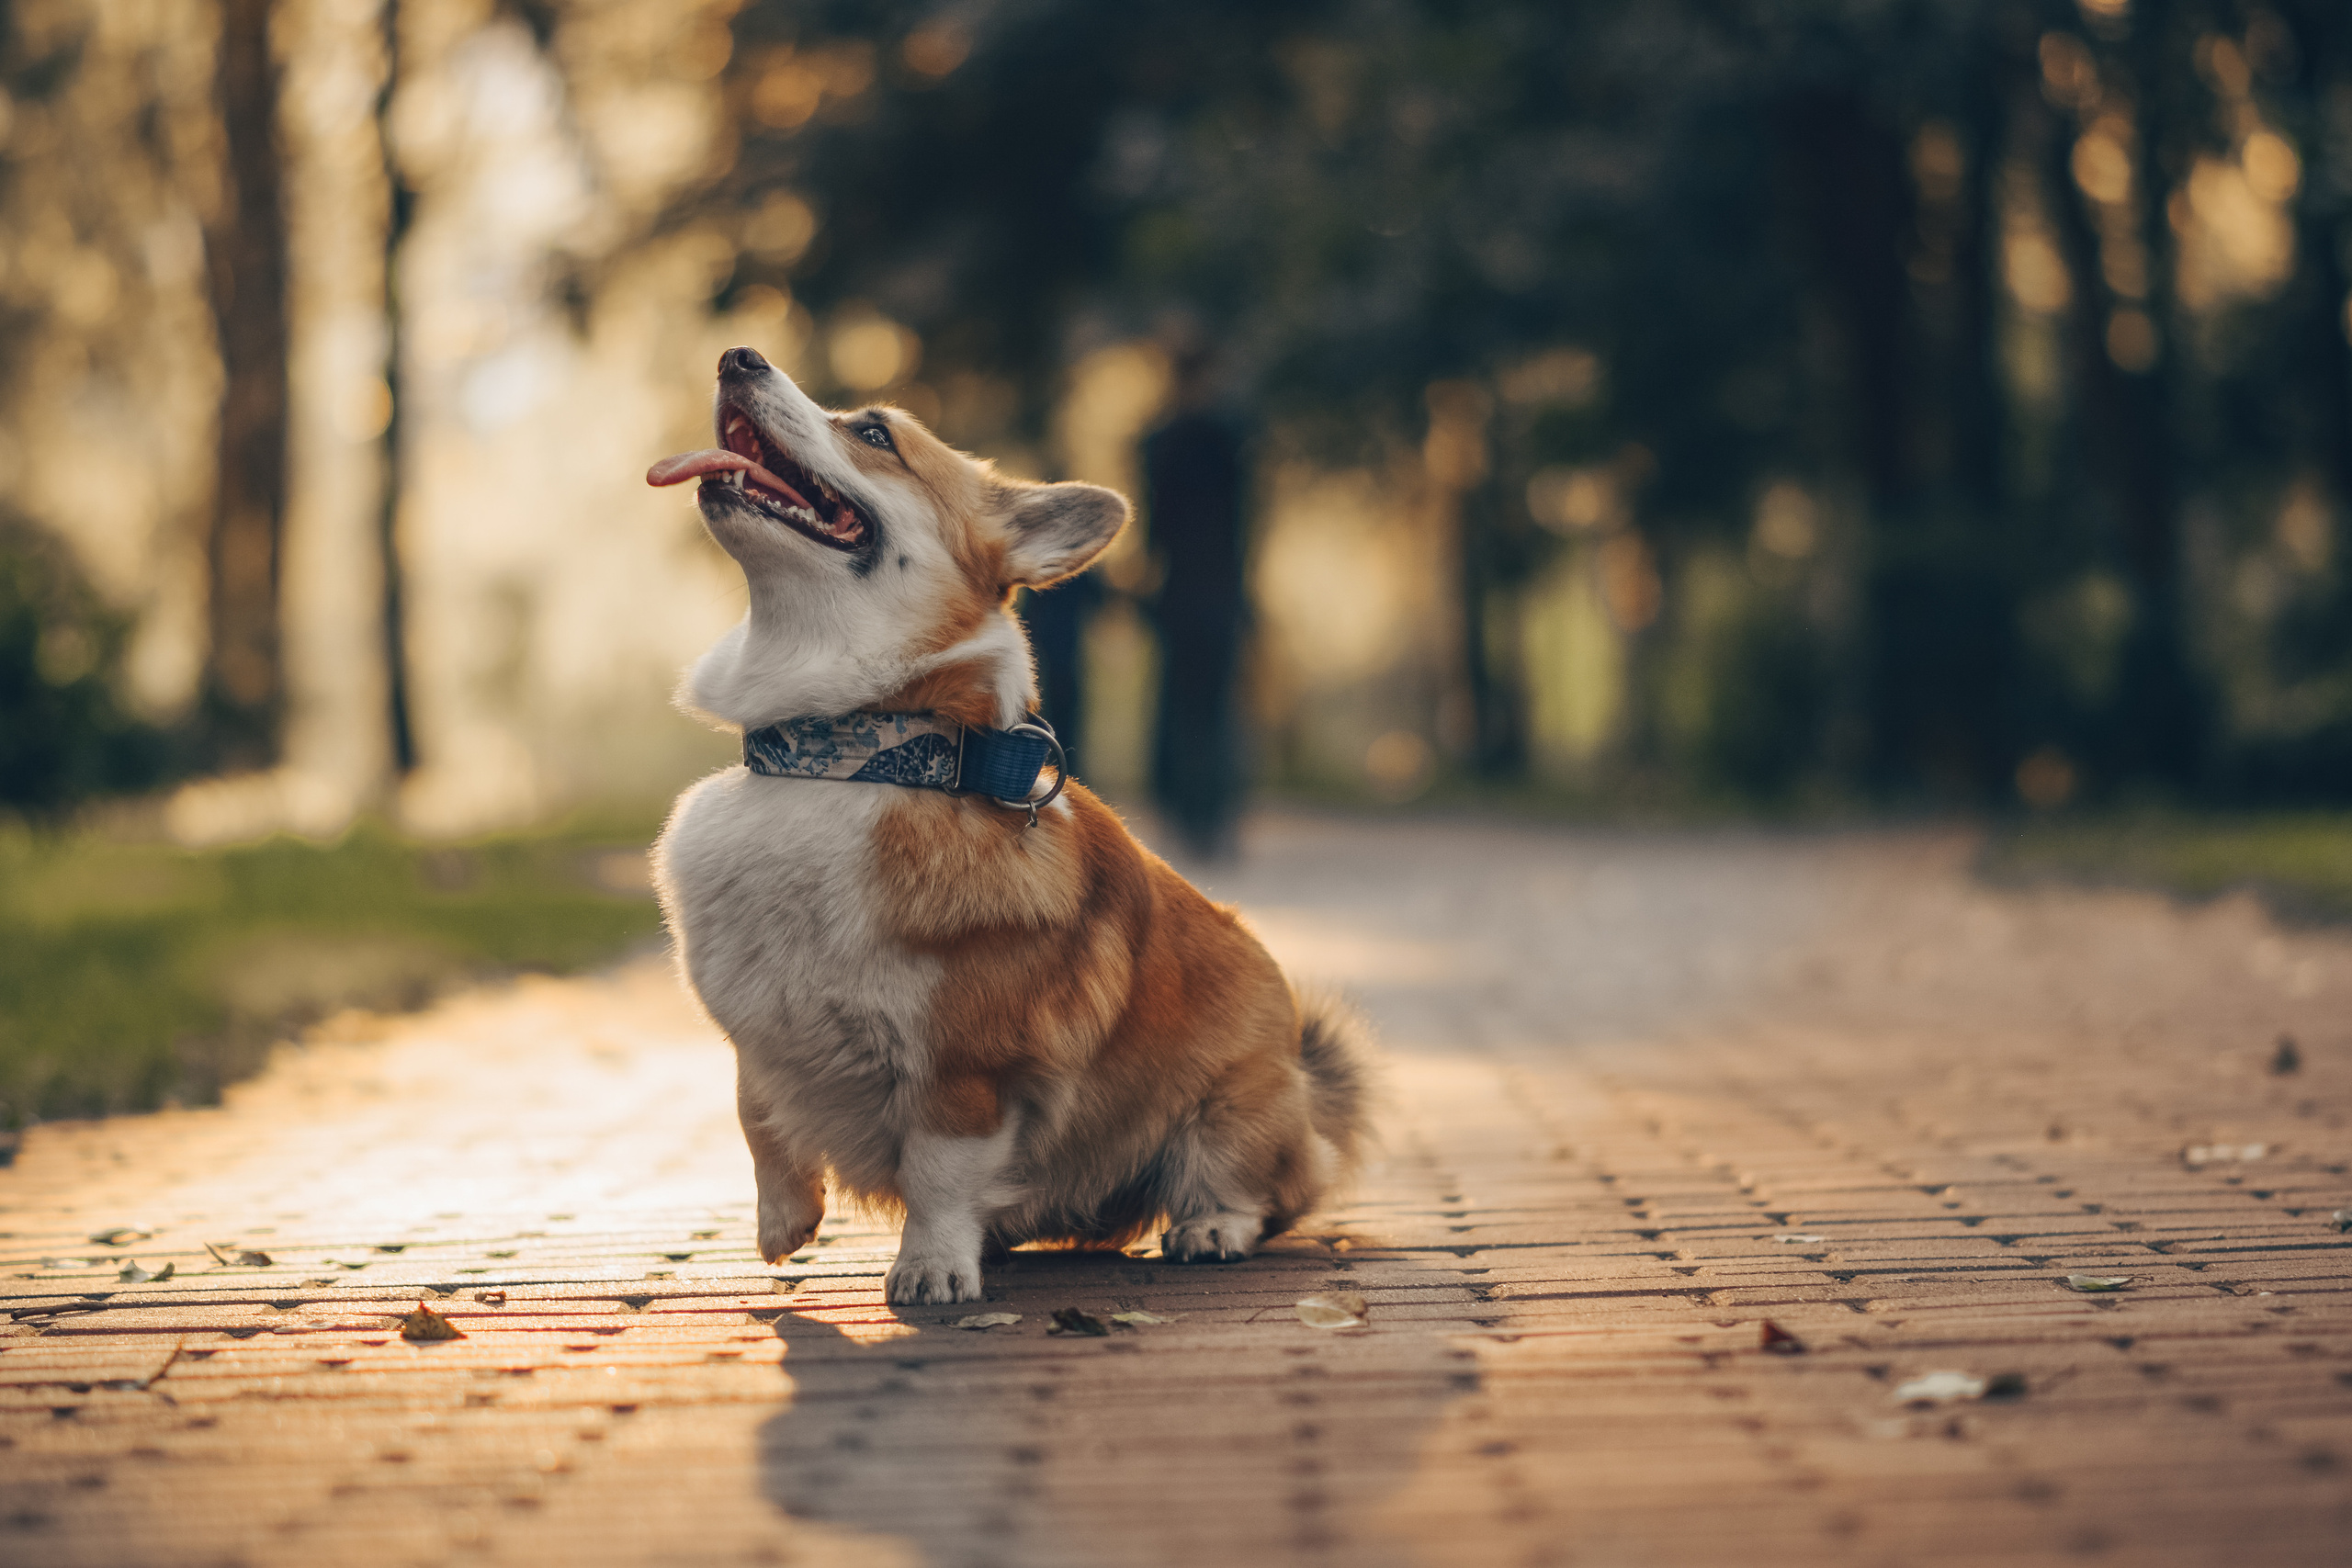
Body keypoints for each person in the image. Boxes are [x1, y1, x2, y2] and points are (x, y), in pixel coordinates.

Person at [1140, 348, 1250, 860]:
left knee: (1203, 707)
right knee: (1194, 707)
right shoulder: (1219, 439)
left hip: (1199, 591)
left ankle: (1208, 814)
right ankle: (1194, 815)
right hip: (1203, 592)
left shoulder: (1172, 440)